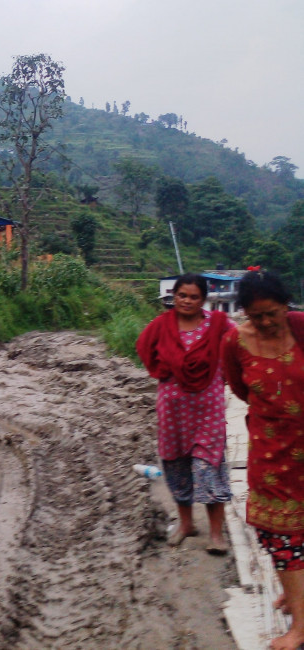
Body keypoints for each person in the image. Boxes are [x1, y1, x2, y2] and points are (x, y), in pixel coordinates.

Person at [222, 270, 304, 650]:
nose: (267, 322)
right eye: (258, 317)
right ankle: (296, 607)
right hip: (270, 454)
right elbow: (240, 387)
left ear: (286, 305)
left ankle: (299, 625)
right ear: (246, 315)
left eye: (273, 313)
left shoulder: (302, 328)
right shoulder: (234, 342)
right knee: (279, 534)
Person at [136, 272, 233, 553]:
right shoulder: (161, 325)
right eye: (182, 295)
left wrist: (227, 376)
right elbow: (144, 347)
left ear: (203, 300)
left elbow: (236, 348)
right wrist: (161, 370)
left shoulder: (218, 324)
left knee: (210, 467)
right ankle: (186, 524)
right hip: (173, 409)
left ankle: (216, 534)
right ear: (173, 296)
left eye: (193, 297)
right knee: (177, 466)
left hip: (208, 409)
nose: (187, 301)